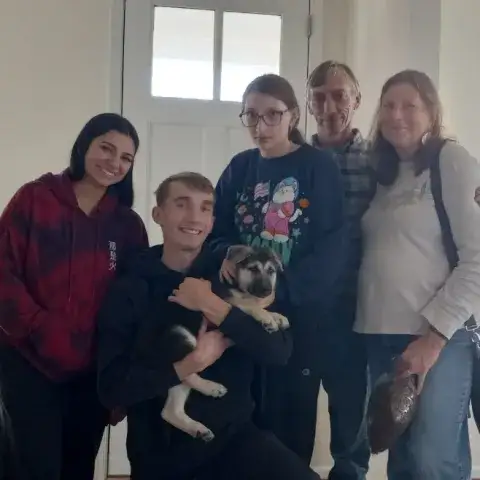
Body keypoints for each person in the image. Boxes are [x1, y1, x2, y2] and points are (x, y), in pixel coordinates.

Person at [96, 171, 321, 480]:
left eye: (204, 208)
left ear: (213, 222)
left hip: (235, 440)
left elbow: (279, 351)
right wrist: (190, 364)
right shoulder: (131, 287)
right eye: (181, 204)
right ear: (158, 214)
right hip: (161, 452)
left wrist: (216, 308)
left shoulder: (234, 274)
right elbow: (112, 388)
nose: (194, 217)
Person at [208, 73, 348, 463]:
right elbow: (213, 232)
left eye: (272, 114)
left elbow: (333, 246)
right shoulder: (239, 168)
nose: (261, 125)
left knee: (289, 429)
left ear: (294, 116)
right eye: (251, 115)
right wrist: (226, 253)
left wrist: (279, 294)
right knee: (238, 421)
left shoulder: (318, 167)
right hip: (238, 318)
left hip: (297, 323)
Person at [0, 113, 148, 480]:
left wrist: (119, 382)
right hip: (28, 362)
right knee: (32, 468)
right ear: (84, 146)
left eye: (126, 158)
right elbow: (4, 272)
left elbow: (133, 306)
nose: (114, 163)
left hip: (92, 373)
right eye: (106, 148)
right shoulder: (35, 199)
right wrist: (41, 328)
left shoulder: (127, 226)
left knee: (78, 468)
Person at [355, 69, 480, 479]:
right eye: (388, 106)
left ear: (432, 112)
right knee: (404, 461)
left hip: (438, 336)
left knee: (433, 459)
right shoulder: (381, 172)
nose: (397, 115)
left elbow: (477, 259)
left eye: (410, 105)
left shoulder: (451, 161)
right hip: (381, 336)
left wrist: (434, 339)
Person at [305, 61, 375, 479]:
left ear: (357, 99)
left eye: (339, 95)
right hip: (300, 312)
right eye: (319, 97)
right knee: (286, 422)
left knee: (351, 433)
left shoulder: (381, 163)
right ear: (308, 104)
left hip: (356, 312)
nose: (329, 106)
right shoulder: (295, 161)